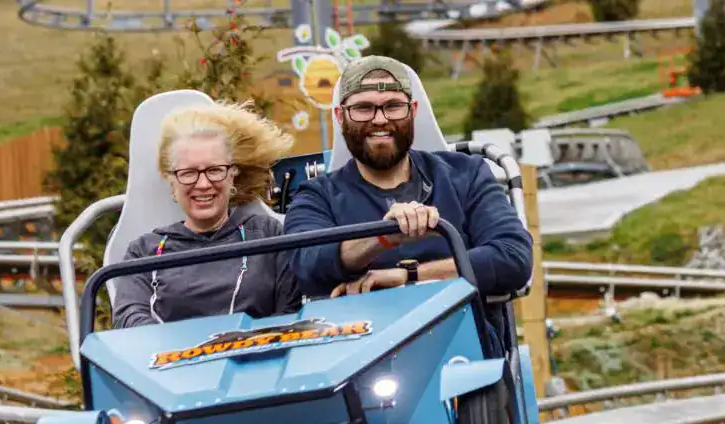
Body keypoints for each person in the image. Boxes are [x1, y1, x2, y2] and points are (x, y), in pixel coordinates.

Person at [283, 55, 533, 354]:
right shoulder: (315, 196)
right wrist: (382, 238)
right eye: (363, 108)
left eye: (392, 106)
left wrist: (408, 277)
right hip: (359, 357)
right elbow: (307, 265)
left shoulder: (464, 174)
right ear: (340, 115)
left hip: (466, 348)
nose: (379, 119)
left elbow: (513, 256)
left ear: (413, 111)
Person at [112, 101, 303, 329]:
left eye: (214, 170)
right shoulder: (144, 253)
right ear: (170, 180)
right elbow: (129, 318)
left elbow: (290, 313)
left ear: (233, 174)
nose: (203, 184)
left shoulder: (268, 235)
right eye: (189, 173)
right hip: (173, 361)